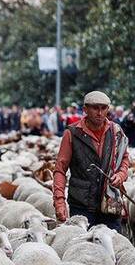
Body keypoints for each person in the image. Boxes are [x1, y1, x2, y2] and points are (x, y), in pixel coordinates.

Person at [53, 91, 130, 231]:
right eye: (95, 108)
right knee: (84, 248)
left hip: (110, 202)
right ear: (85, 109)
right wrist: (59, 201)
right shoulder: (72, 133)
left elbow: (124, 159)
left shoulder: (116, 131)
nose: (100, 113)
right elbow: (60, 169)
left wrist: (120, 175)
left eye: (103, 108)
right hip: (82, 204)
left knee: (113, 245)